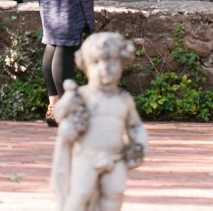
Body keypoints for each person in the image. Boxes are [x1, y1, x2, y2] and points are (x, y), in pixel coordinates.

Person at [51, 32, 147, 211]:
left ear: (123, 63)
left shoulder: (124, 99)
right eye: (96, 62)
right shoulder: (81, 96)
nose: (105, 68)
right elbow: (59, 113)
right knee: (80, 193)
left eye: (112, 61)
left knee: (115, 193)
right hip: (86, 157)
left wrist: (139, 145)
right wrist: (67, 105)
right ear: (85, 65)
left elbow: (135, 126)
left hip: (115, 157)